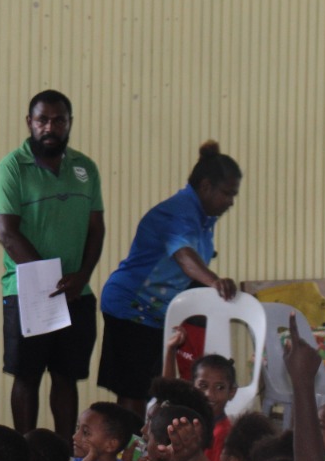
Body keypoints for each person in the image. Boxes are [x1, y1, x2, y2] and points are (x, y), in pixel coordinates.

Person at [0, 89, 105, 439]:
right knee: (27, 378)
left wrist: (82, 276)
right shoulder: (12, 168)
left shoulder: (86, 168)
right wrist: (48, 279)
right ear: (30, 122)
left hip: (76, 291)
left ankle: (65, 455)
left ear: (70, 124)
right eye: (42, 120)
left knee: (66, 378)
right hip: (27, 293)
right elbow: (7, 233)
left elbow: (96, 228)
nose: (50, 127)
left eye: (58, 120)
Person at [99, 141, 242, 419]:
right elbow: (184, 256)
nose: (231, 202)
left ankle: (145, 443)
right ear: (206, 187)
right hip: (131, 308)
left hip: (157, 314)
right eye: (227, 193)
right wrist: (214, 281)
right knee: (133, 393)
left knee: (155, 390)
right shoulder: (177, 212)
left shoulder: (203, 218)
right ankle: (131, 447)